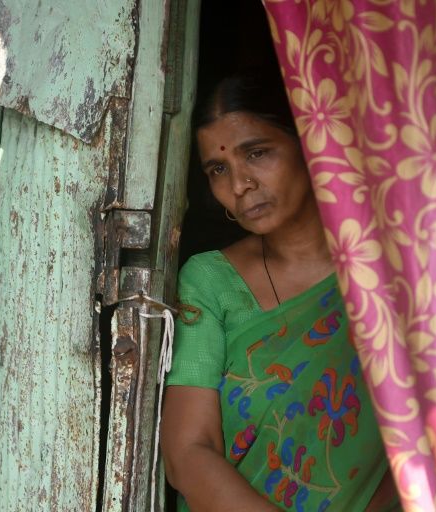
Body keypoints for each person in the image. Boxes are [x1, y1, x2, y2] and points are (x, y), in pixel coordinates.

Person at [161, 70, 400, 512]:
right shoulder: (211, 283)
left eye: (257, 153)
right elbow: (187, 454)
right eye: (219, 169)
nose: (239, 185)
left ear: (310, 143)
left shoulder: (391, 276)